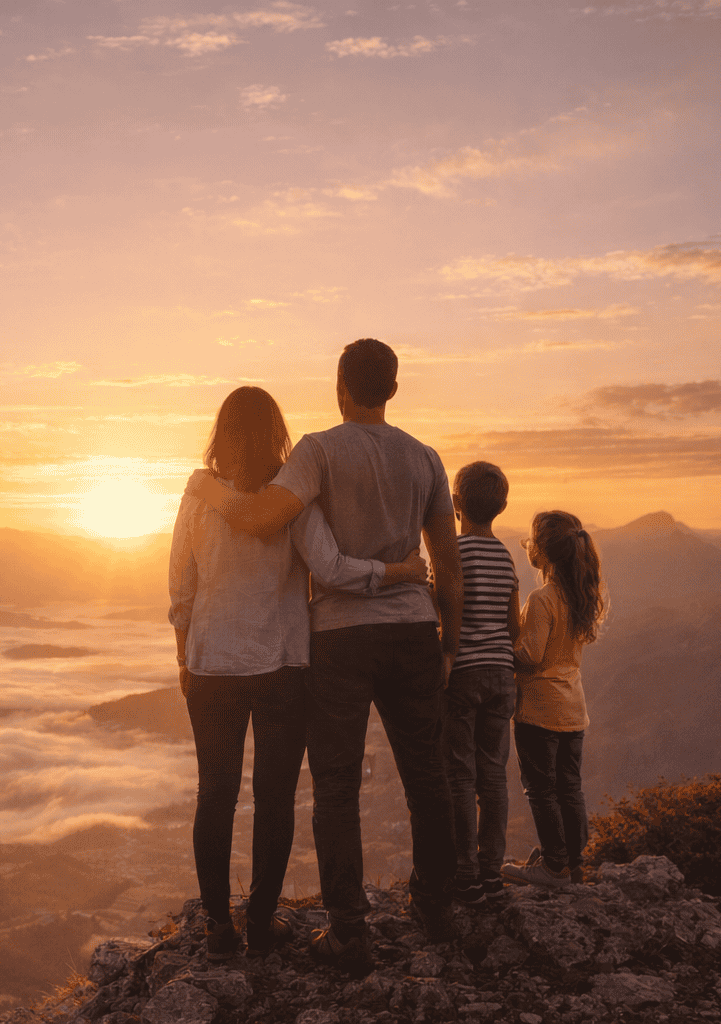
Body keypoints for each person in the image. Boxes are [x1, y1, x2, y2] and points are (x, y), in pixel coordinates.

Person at [186, 338, 463, 976]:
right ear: (392, 390)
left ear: (340, 387)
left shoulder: (318, 452)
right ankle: (438, 910)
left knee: (336, 787)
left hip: (340, 637)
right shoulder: (425, 458)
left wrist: (205, 488)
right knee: (428, 776)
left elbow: (260, 519)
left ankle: (347, 931)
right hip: (415, 630)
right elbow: (444, 564)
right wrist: (447, 641)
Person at [499, 510, 607, 888]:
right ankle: (574, 863)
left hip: (540, 710)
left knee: (541, 790)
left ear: (540, 552)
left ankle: (553, 866)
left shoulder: (542, 598)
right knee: (569, 787)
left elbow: (530, 655)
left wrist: (499, 640)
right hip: (573, 708)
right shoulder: (581, 593)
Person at [439, 461, 520, 905]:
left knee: (459, 774)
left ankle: (465, 875)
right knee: (494, 776)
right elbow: (513, 625)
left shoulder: (452, 552)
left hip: (463, 673)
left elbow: (440, 607)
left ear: (454, 504)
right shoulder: (506, 556)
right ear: (502, 507)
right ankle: (492, 874)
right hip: (500, 675)